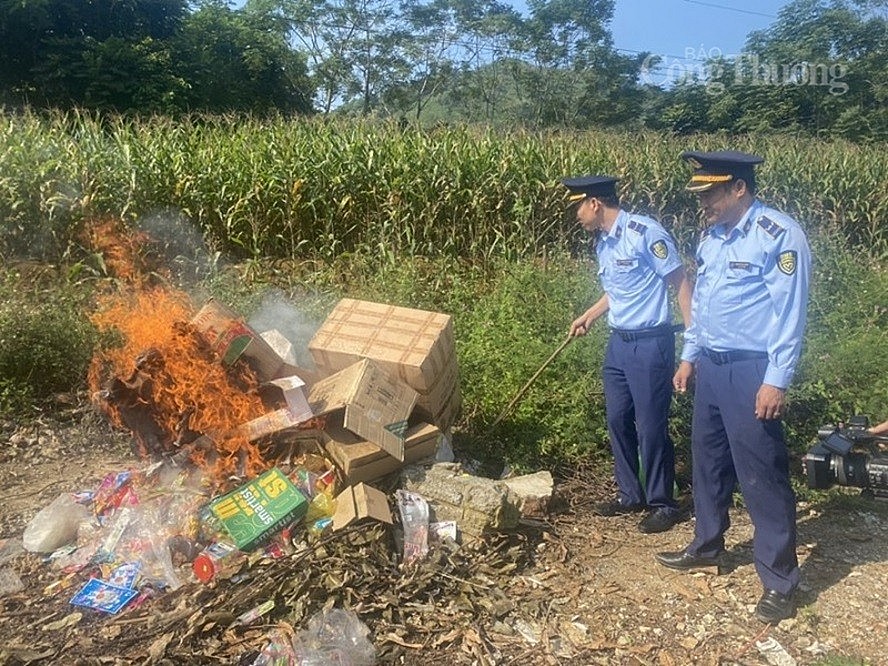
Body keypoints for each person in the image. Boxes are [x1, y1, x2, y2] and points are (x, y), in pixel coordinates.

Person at [655, 151, 812, 625]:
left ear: (738, 188)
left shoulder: (778, 235)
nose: (703, 202)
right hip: (713, 368)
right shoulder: (713, 237)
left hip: (752, 371)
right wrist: (689, 355)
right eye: (701, 194)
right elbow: (702, 304)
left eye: (710, 193)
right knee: (709, 463)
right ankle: (707, 545)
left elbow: (790, 315)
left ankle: (780, 580)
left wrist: (776, 380)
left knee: (762, 475)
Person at [562, 175, 692, 534]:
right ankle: (629, 494)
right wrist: (589, 315)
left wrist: (691, 348)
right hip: (619, 344)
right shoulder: (603, 242)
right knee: (618, 418)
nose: (576, 216)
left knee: (651, 425)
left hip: (650, 343)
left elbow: (680, 283)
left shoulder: (645, 233)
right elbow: (617, 292)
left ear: (594, 204)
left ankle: (662, 502)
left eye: (577, 207)